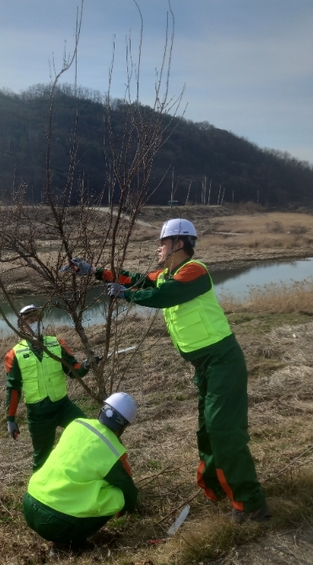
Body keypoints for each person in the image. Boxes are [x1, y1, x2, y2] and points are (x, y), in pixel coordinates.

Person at [64, 218, 270, 523]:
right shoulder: (167, 275)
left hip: (223, 362)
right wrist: (93, 271)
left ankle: (250, 504)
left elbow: (163, 296)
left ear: (179, 243)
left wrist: (124, 294)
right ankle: (218, 487)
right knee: (207, 430)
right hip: (205, 368)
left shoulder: (194, 270)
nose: (158, 247)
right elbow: (136, 278)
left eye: (163, 242)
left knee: (223, 431)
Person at [23, 392, 139, 552]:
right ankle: (75, 543)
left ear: (102, 410)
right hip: (56, 523)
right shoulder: (111, 447)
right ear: (124, 426)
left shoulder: (77, 424)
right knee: (119, 497)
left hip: (30, 503)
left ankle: (60, 542)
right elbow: (126, 485)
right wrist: (133, 505)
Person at [5, 304, 91, 471]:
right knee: (42, 457)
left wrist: (86, 366)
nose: (35, 322)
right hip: (38, 415)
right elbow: (13, 388)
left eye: (37, 319)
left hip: (63, 407)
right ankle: (38, 493)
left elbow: (73, 370)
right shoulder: (15, 354)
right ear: (22, 327)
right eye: (30, 320)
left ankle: (83, 468)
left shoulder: (56, 344)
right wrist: (11, 419)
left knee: (87, 432)